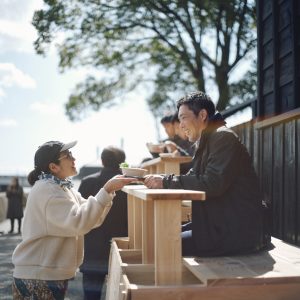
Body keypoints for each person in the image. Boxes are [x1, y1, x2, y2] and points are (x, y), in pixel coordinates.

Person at [144, 91, 270, 257]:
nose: (180, 125)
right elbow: (192, 176)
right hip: (220, 223)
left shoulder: (223, 137)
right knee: (161, 235)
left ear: (202, 115)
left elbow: (213, 183)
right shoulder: (207, 140)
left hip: (238, 230)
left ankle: (175, 283)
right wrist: (162, 180)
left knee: (164, 243)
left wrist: (166, 182)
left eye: (183, 118)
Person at [11, 140, 136, 299]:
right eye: (68, 155)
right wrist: (107, 189)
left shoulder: (62, 187)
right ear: (53, 167)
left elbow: (92, 218)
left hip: (45, 273)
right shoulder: (48, 190)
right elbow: (79, 222)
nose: (73, 158)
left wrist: (108, 192)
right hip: (38, 276)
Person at [78, 146, 128, 300]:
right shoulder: (130, 184)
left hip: (92, 248)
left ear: (102, 161)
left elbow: (79, 214)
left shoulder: (87, 182)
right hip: (123, 248)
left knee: (91, 296)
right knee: (121, 294)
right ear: (122, 162)